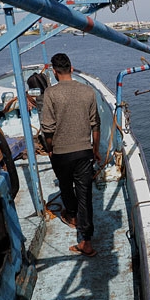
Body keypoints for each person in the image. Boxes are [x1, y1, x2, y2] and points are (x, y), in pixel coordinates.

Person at [40, 53, 101, 257]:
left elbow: (47, 128)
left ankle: (72, 216)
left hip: (61, 153)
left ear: (54, 72)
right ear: (72, 69)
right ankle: (86, 242)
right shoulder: (88, 91)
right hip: (84, 152)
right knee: (85, 195)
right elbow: (95, 125)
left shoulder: (50, 93)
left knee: (66, 186)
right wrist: (95, 150)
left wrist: (49, 147)